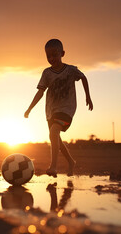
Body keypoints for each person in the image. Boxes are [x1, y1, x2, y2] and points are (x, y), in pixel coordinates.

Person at [24, 39, 93, 177]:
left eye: (54, 55)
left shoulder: (71, 70)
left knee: (54, 132)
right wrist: (29, 108)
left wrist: (88, 97)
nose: (51, 58)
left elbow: (83, 78)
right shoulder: (47, 73)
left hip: (67, 109)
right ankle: (71, 162)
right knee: (56, 139)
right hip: (51, 111)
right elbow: (40, 92)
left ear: (62, 53)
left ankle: (53, 166)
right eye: (48, 56)